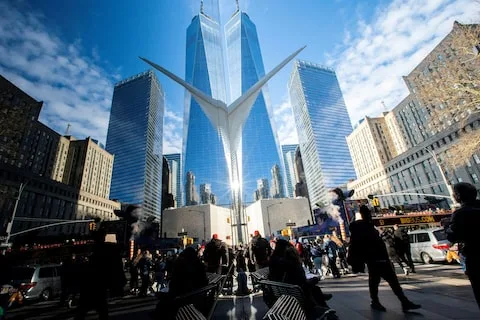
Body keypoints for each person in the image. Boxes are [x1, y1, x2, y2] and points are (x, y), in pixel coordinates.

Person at [348, 205, 421, 312]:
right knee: (387, 281)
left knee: (378, 282)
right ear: (364, 215)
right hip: (375, 258)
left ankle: (387, 302)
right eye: (368, 213)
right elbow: (360, 244)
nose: (370, 215)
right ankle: (400, 302)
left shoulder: (365, 226)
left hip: (378, 258)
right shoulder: (362, 227)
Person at [268, 239, 333, 317]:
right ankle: (321, 308)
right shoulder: (289, 262)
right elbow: (300, 279)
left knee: (314, 288)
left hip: (285, 288)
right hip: (294, 290)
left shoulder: (275, 259)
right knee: (313, 286)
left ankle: (321, 304)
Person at [75, 230, 126, 320]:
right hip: (97, 284)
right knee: (100, 310)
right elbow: (116, 264)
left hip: (91, 285)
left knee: (85, 310)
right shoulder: (109, 248)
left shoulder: (97, 250)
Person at [446, 182, 480, 308]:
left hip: (475, 257)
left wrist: (448, 227)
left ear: (458, 196)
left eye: (454, 194)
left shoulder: (460, 213)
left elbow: (453, 236)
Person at [153, 247, 208, 319]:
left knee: (164, 303)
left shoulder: (181, 264)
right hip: (192, 293)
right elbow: (204, 281)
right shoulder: (199, 265)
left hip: (183, 294)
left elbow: (175, 282)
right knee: (165, 302)